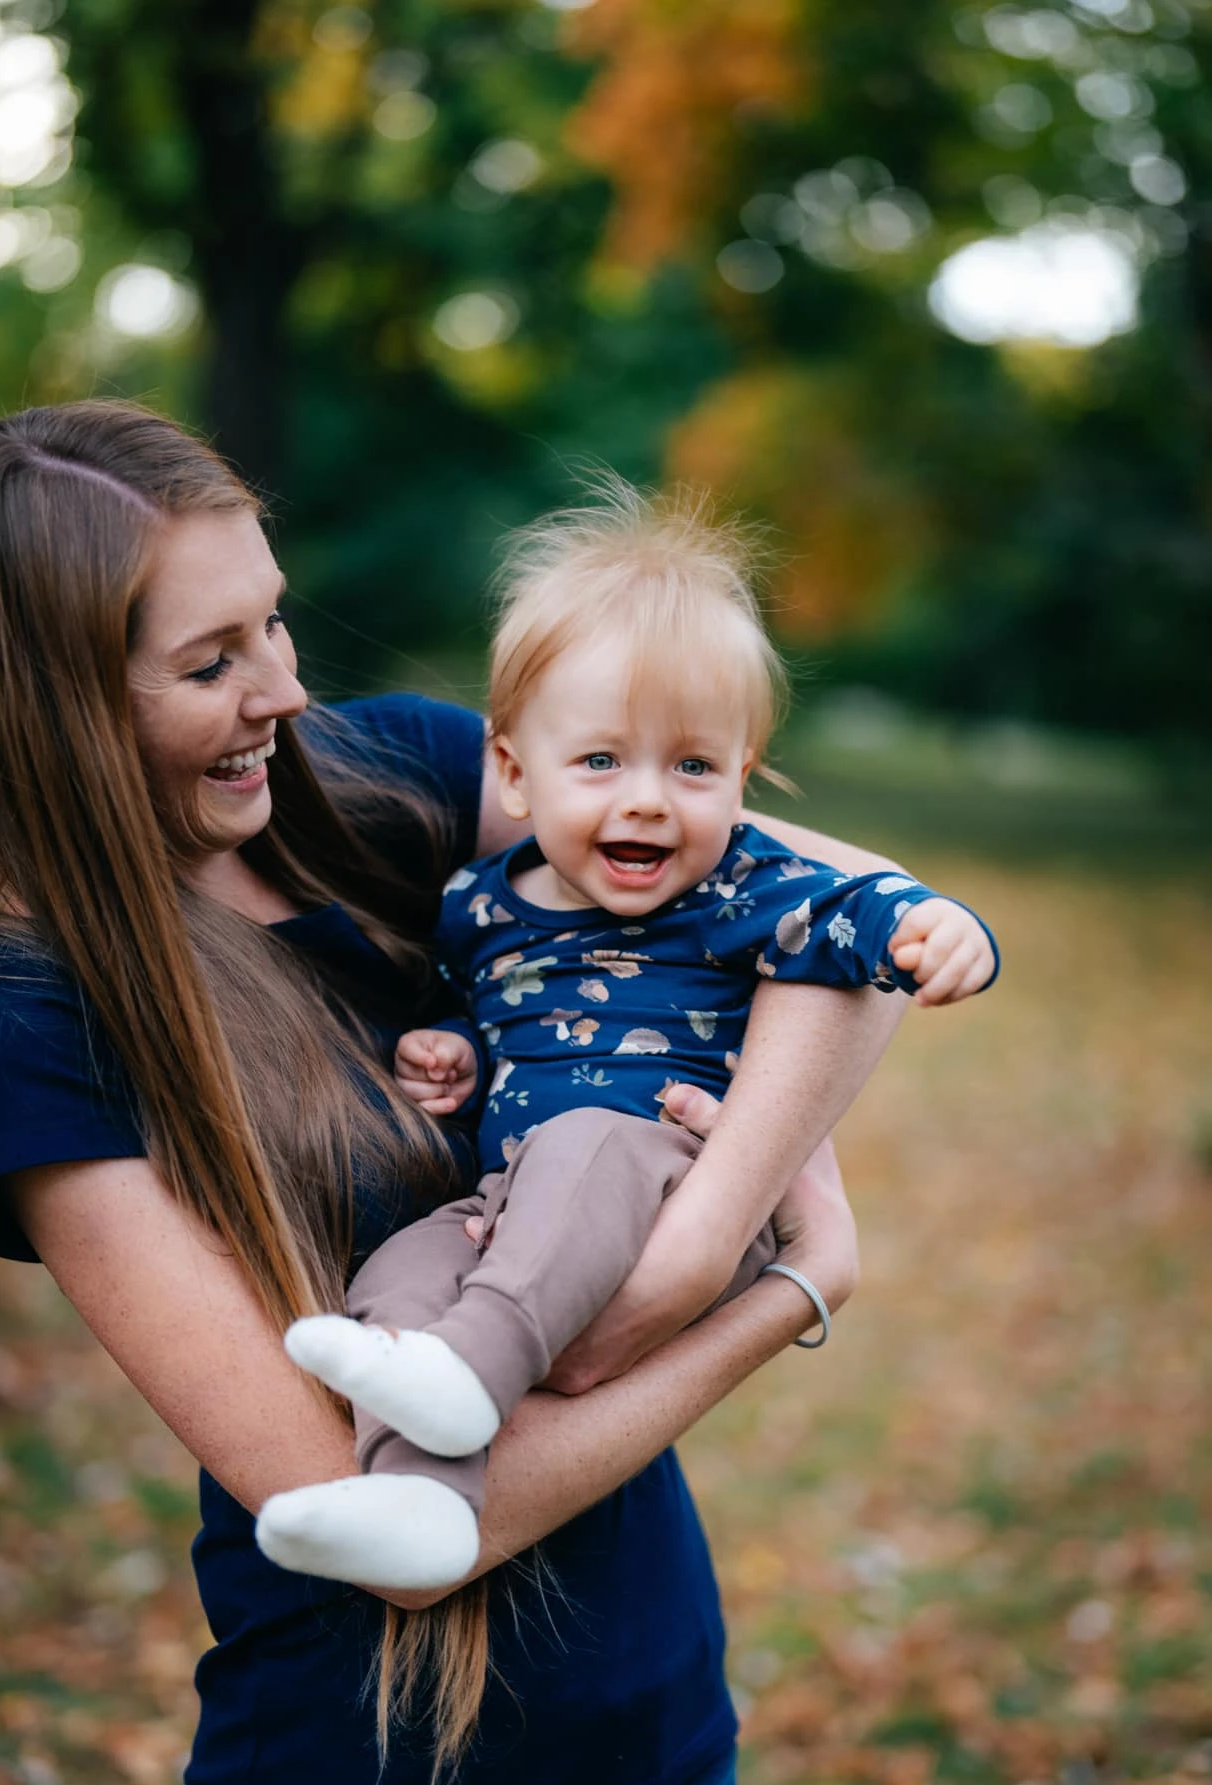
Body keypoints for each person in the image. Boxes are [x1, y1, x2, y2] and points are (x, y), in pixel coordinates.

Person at [0, 401, 908, 1785]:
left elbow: (860, 920)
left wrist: (697, 1239)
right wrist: (781, 1288)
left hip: (657, 1726)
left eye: (277, 619)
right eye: (213, 659)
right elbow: (357, 1507)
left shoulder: (405, 776)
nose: (285, 688)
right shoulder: (32, 1019)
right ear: (59, 702)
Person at [265, 484, 998, 1592]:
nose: (650, 801)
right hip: (513, 1208)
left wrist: (949, 931)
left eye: (693, 766)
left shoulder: (744, 889)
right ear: (513, 771)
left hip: (663, 1174)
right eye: (602, 761)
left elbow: (863, 911)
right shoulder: (478, 901)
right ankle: (422, 1498)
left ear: (743, 778)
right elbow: (484, 1003)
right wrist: (452, 1049)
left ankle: (467, 1370)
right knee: (399, 1267)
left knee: (591, 1145)